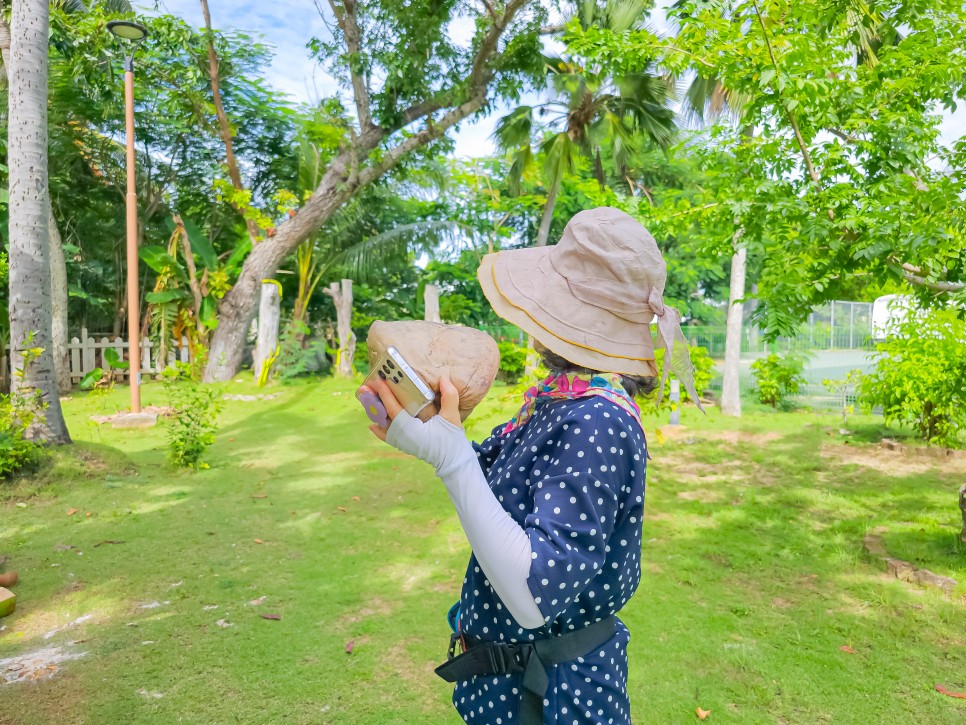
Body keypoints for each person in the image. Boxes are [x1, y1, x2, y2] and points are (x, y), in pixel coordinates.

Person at [366, 207, 701, 724]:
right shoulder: (558, 401)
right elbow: (486, 478)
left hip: (551, 701)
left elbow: (534, 596)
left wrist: (448, 456)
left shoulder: (595, 421)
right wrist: (429, 429)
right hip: (511, 690)